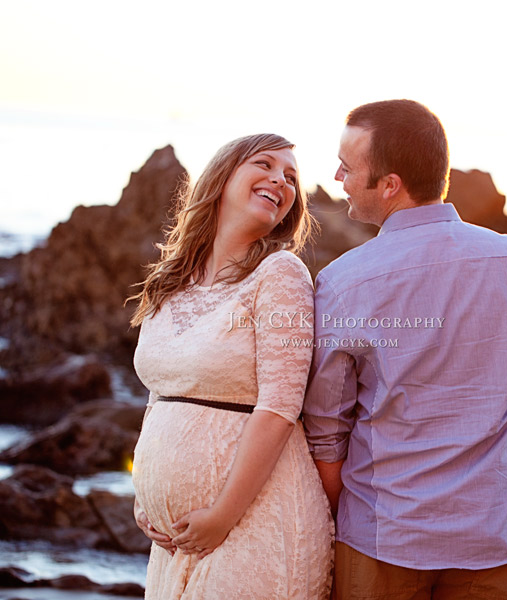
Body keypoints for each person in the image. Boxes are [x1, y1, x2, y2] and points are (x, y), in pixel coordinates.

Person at [303, 100, 507, 599]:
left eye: (348, 167)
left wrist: (351, 519)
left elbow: (326, 432)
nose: (337, 177)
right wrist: (500, 508)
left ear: (390, 185)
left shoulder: (343, 283)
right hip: (492, 543)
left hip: (381, 544)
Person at [129, 133, 333, 599]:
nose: (280, 180)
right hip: (174, 540)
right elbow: (160, 395)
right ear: (223, 177)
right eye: (264, 164)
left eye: (291, 178)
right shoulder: (171, 280)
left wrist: (223, 515)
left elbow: (281, 406)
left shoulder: (280, 275)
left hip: (253, 524)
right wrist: (145, 491)